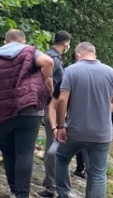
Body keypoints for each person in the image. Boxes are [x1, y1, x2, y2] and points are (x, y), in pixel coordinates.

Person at [55, 42, 113, 198]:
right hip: (101, 134)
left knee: (61, 158)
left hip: (75, 131)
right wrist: (106, 111)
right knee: (98, 173)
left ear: (78, 54)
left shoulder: (71, 71)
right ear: (94, 53)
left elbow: (62, 100)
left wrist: (60, 126)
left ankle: (63, 194)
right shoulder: (110, 72)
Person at [0, 29, 54, 198]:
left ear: (5, 42)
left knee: (8, 152)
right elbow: (48, 61)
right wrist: (43, 83)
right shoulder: (30, 52)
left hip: (3, 111)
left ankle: (14, 189)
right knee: (24, 153)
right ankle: (22, 195)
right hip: (29, 110)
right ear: (23, 41)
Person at [35, 30, 72, 198]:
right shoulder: (54, 60)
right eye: (68, 44)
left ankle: (51, 182)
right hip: (52, 106)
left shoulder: (45, 55)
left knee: (53, 144)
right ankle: (52, 185)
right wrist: (53, 97)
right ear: (66, 44)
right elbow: (49, 80)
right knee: (54, 144)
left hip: (46, 104)